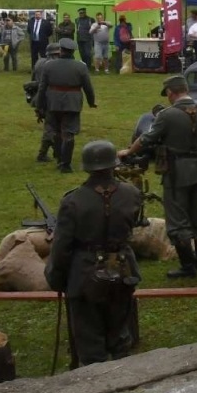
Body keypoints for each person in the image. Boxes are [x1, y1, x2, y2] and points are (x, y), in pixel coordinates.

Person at [44, 139, 144, 366]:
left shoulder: (73, 201)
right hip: (122, 268)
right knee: (119, 335)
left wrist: (57, 278)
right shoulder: (132, 194)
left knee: (90, 343)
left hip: (85, 273)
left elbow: (61, 248)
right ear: (113, 165)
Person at [122, 74, 197, 279]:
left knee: (177, 220)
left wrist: (129, 152)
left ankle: (188, 266)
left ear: (170, 92)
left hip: (177, 173)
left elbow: (147, 138)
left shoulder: (167, 115)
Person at [36, 37, 98, 173]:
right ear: (73, 51)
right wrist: (91, 102)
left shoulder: (48, 65)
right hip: (72, 103)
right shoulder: (81, 66)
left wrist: (39, 105)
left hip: (53, 102)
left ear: (61, 50)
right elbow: (88, 87)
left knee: (57, 131)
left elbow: (42, 88)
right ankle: (65, 164)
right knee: (69, 133)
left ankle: (59, 158)